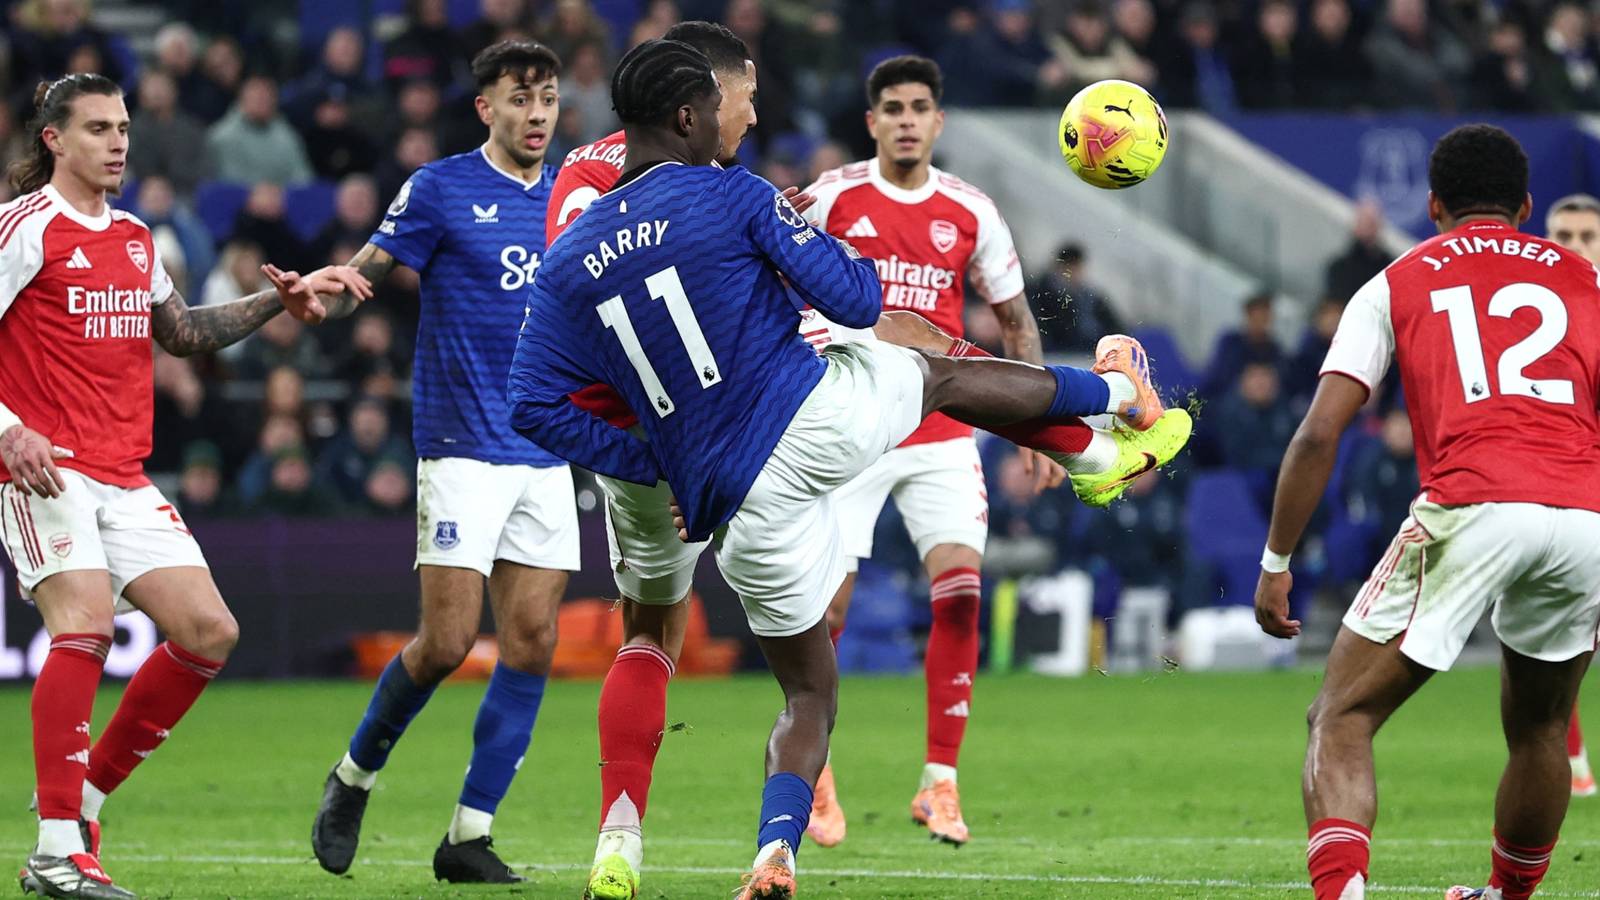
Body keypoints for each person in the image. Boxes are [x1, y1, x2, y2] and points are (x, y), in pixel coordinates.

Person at [508, 38, 1188, 899]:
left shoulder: (569, 235)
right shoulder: (731, 188)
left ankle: (663, 848)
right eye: (740, 100)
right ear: (694, 108)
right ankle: (1115, 404)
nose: (750, 117)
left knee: (708, 657)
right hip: (796, 423)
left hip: (691, 481)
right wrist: (781, 235)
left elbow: (530, 403)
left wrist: (648, 458)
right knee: (927, 354)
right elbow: (858, 299)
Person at [0, 72, 367, 899]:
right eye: (97, 128)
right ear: (55, 140)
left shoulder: (136, 237)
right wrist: (8, 429)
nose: (118, 141)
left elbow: (183, 331)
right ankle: (57, 851)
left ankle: (81, 802)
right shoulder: (24, 227)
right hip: (42, 466)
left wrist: (281, 301)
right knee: (86, 624)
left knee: (208, 631)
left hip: (122, 473)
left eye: (123, 126)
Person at [1253, 124, 1600, 900]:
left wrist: (1276, 561)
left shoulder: (1396, 280)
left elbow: (1318, 433)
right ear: (1527, 205)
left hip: (1475, 500)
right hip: (1584, 515)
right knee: (1544, 728)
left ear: (1435, 203)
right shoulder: (1586, 280)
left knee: (1340, 716)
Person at [802, 55, 1138, 848]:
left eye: (921, 106)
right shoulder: (831, 196)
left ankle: (940, 785)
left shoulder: (971, 210)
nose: (908, 119)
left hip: (943, 427)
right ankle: (813, 772)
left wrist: (1035, 425)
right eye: (893, 107)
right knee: (827, 611)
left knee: (960, 588)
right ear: (872, 120)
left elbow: (1016, 321)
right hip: (850, 423)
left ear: (939, 121)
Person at [298, 41, 572, 885]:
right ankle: (353, 777)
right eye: (520, 99)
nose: (537, 114)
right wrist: (337, 284)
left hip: (547, 448)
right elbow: (374, 265)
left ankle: (468, 834)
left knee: (530, 641)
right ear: (485, 107)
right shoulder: (442, 187)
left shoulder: (576, 196)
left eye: (549, 98)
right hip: (460, 444)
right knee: (447, 642)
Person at [1543, 191, 1600, 798]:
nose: (1575, 247)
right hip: (1557, 488)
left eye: (1587, 237)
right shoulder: (1526, 314)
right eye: (1564, 236)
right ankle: (1573, 757)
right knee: (1557, 633)